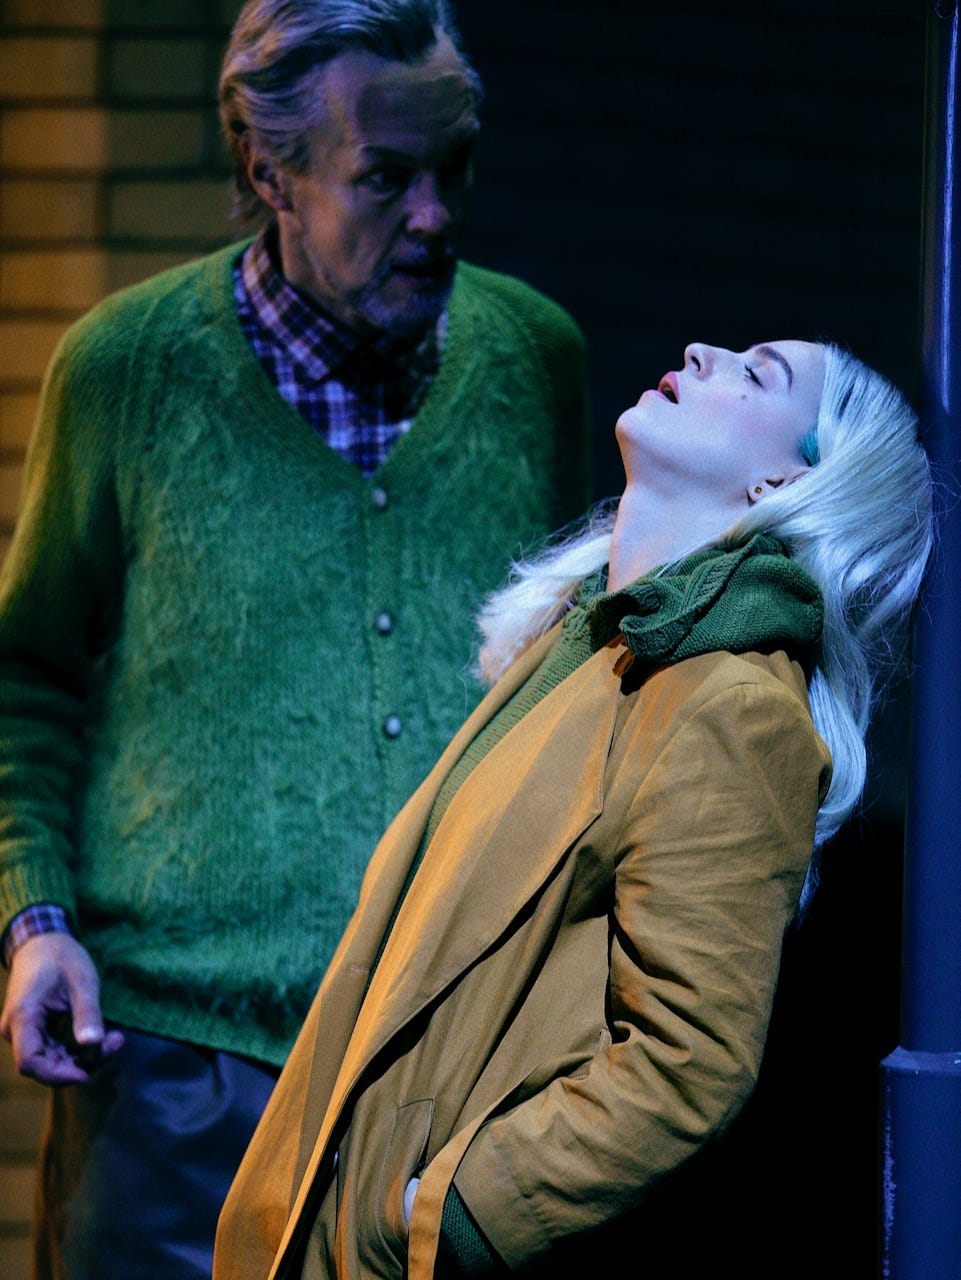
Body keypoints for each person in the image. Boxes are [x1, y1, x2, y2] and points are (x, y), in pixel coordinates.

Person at [0, 2, 590, 1276]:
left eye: (454, 169)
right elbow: (26, 677)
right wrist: (34, 917)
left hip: (449, 1071)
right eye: (385, 177)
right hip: (172, 1076)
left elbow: (566, 693)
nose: (433, 216)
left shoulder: (534, 356)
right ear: (270, 171)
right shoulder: (127, 369)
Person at [213, 338, 934, 1279]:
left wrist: (440, 1213)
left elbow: (689, 1065)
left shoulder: (729, 702)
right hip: (332, 1212)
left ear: (784, 483)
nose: (701, 351)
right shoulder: (587, 639)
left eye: (759, 374)